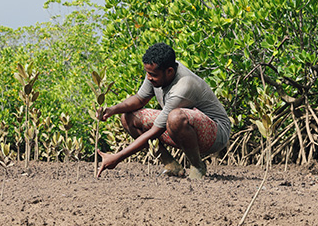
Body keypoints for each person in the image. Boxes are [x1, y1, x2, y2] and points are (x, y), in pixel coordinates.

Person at [96, 42, 231, 179]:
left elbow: (156, 130)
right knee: (127, 118)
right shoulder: (158, 70)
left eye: (153, 75)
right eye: (147, 73)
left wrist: (118, 157)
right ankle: (171, 165)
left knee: (175, 117)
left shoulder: (183, 86)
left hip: (215, 134)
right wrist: (112, 110)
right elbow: (140, 98)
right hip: (183, 126)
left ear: (170, 71)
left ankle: (197, 166)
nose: (149, 78)